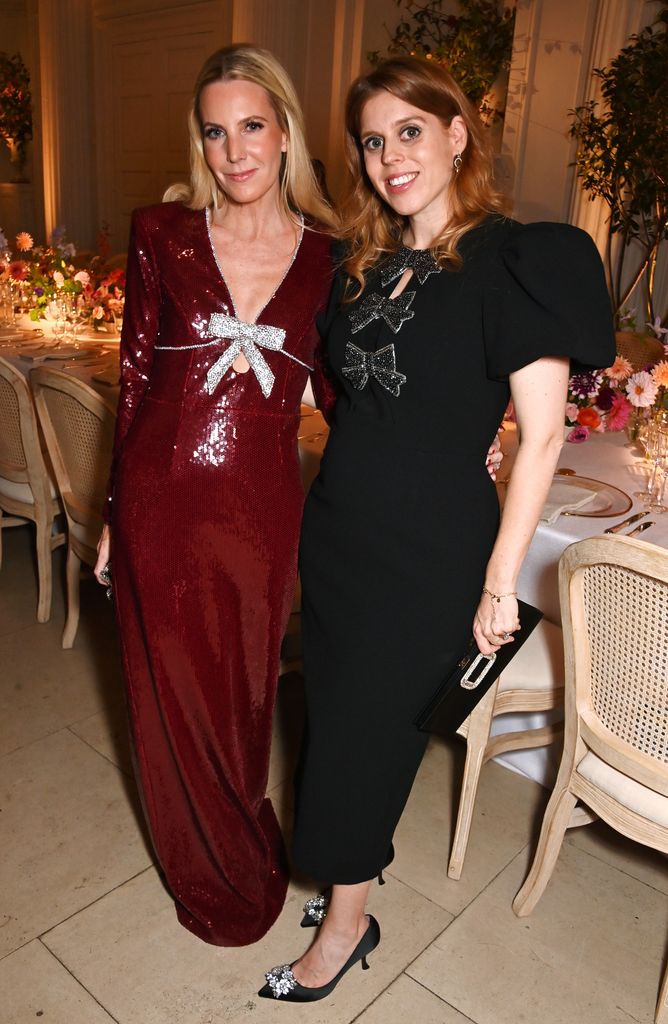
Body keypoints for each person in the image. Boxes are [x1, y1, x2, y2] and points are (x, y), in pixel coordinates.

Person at [259, 57, 615, 1000]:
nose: (389, 157)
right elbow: (346, 394)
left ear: (458, 134)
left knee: (369, 735)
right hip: (340, 531)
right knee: (334, 717)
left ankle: (347, 923)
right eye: (373, 141)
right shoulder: (361, 261)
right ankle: (348, 876)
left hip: (433, 551)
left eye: (409, 131)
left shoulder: (519, 260)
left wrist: (500, 583)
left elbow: (539, 440)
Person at [93, 43, 339, 947]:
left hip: (260, 509)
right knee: (165, 700)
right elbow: (129, 382)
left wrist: (454, 446)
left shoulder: (330, 256)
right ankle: (208, 869)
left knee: (242, 696)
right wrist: (114, 514)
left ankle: (240, 839)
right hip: (161, 495)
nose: (233, 151)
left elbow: (345, 393)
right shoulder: (160, 235)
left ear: (283, 135)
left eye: (250, 127)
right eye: (214, 132)